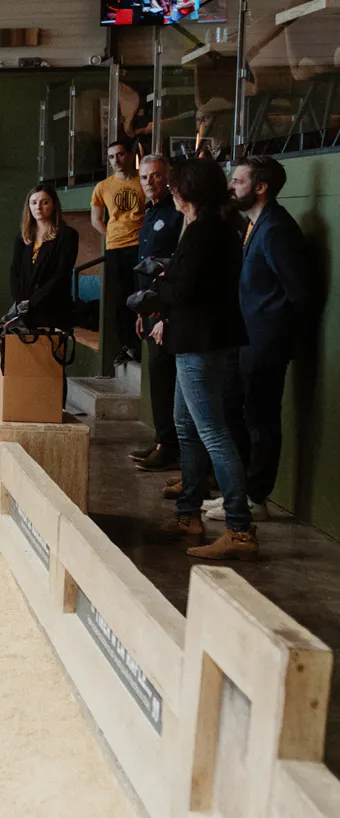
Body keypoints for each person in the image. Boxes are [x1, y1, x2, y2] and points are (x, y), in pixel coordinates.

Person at [151, 159, 256, 560]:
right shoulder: (210, 229)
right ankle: (187, 514)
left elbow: (187, 290)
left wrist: (158, 289)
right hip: (197, 338)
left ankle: (239, 529)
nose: (169, 193)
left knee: (212, 431)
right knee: (186, 426)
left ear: (186, 192)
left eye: (174, 187)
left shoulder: (205, 232)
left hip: (201, 341)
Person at [215, 155, 315, 522]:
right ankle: (237, 494)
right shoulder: (253, 225)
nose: (231, 186)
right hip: (246, 341)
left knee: (260, 420)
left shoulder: (276, 228)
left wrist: (277, 338)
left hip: (266, 343)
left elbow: (299, 293)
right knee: (234, 412)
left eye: (238, 181)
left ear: (261, 187)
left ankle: (256, 498)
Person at [132, 155, 184, 473]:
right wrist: (143, 310)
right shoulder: (149, 212)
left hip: (169, 310)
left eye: (155, 176)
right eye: (144, 178)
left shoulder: (176, 213)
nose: (150, 182)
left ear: (168, 177)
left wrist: (164, 314)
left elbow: (177, 266)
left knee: (167, 378)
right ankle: (161, 439)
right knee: (157, 378)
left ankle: (170, 447)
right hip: (150, 307)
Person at [91, 139, 148, 369]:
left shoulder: (143, 181)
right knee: (119, 299)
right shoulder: (103, 186)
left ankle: (142, 344)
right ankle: (127, 347)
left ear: (130, 155)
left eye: (120, 155)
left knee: (141, 295)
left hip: (141, 247)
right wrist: (111, 235)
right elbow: (95, 219)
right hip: (115, 248)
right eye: (112, 157)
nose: (116, 160)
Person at [9, 184, 81, 331]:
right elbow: (15, 271)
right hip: (25, 312)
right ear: (28, 206)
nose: (39, 207)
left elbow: (61, 275)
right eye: (34, 203)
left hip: (53, 310)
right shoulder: (22, 238)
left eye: (45, 202)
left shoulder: (67, 235)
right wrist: (20, 302)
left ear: (54, 205)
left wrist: (32, 303)